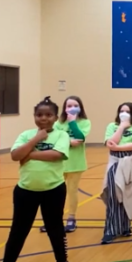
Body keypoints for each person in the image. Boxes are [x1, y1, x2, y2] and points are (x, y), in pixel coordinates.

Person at [0, 97, 72, 262]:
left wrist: (29, 153)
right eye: (39, 115)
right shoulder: (26, 135)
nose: (43, 118)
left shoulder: (61, 135)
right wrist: (35, 140)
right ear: (34, 116)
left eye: (48, 115)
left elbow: (56, 155)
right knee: (18, 231)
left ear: (55, 117)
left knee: (55, 228)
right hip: (25, 191)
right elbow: (15, 156)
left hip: (54, 189)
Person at [40, 96, 90, 234]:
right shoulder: (58, 123)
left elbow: (80, 137)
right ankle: (53, 220)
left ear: (80, 107)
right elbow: (54, 139)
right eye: (68, 106)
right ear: (64, 108)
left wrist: (72, 123)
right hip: (59, 163)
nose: (71, 108)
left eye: (75, 105)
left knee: (72, 192)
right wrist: (69, 141)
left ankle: (71, 218)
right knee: (54, 193)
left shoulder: (85, 122)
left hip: (75, 164)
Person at [103, 103, 132, 244]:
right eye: (121, 111)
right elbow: (110, 143)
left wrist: (119, 147)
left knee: (127, 195)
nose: (124, 113)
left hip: (131, 164)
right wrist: (121, 127)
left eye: (127, 111)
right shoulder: (112, 126)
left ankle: (124, 227)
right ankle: (111, 229)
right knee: (113, 195)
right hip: (115, 163)